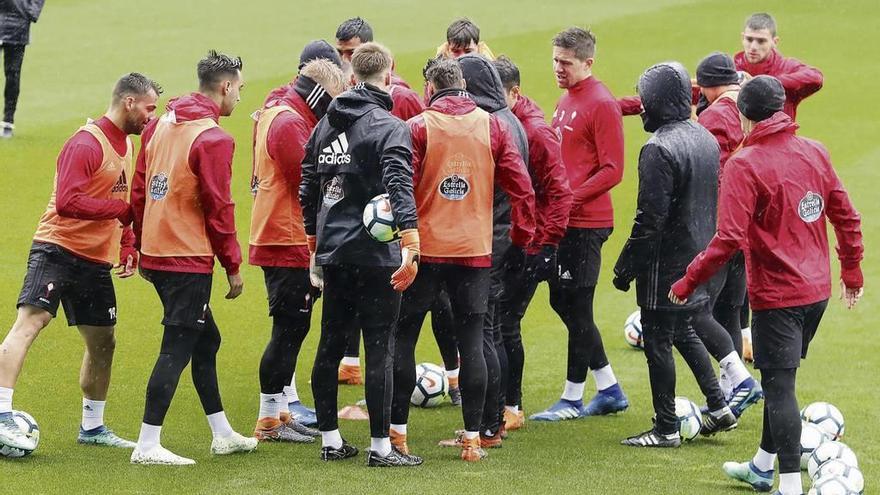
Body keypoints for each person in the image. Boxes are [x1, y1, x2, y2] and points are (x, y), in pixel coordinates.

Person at [670, 75, 864, 495]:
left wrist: (688, 280)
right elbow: (846, 216)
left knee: (780, 391)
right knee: (780, 383)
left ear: (743, 114)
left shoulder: (744, 163)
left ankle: (789, 485)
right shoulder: (815, 150)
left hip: (779, 297)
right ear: (782, 108)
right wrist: (852, 272)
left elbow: (727, 240)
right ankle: (761, 467)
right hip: (818, 292)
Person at [0, 73, 158, 452]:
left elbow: (116, 203)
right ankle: (2, 412)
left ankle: (92, 427)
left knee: (104, 342)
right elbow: (68, 202)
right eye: (149, 109)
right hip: (56, 249)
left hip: (94, 260)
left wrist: (128, 241)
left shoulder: (126, 146)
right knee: (30, 323)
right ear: (129, 103)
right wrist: (122, 211)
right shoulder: (86, 143)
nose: (152, 118)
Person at [389, 57, 535, 462]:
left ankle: (398, 435)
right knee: (473, 340)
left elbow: (402, 185)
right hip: (475, 251)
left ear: (431, 87)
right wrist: (521, 240)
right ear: (464, 88)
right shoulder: (494, 126)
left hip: (425, 250)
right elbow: (521, 188)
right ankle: (473, 440)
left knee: (404, 337)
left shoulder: (417, 126)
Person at [130, 51, 257, 465]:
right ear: (225, 87)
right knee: (177, 345)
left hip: (157, 253)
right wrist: (233, 266)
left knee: (208, 340)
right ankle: (147, 444)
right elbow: (220, 207)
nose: (238, 96)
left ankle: (222, 433)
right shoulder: (214, 138)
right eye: (238, 88)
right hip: (186, 259)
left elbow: (138, 187)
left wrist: (138, 240)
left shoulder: (161, 124)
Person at [300, 42, 422, 467]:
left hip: (334, 254)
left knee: (330, 344)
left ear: (351, 78)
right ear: (389, 75)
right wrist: (411, 242)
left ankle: (330, 440)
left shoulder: (323, 126)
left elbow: (308, 188)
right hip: (376, 256)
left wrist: (315, 245)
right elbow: (399, 187)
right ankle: (380, 448)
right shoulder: (391, 127)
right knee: (380, 348)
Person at [613, 61, 737, 448]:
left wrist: (625, 267)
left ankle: (666, 426)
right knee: (683, 329)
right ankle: (719, 407)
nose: (643, 109)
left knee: (657, 340)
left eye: (646, 101)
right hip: (697, 256)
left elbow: (649, 220)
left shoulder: (658, 149)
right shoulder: (704, 138)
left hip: (664, 263)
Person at [531, 27, 628, 422]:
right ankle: (608, 388)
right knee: (562, 300)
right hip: (565, 220)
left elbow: (612, 169)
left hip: (587, 223)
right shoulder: (567, 98)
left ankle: (572, 399)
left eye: (566, 62)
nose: (558, 68)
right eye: (555, 60)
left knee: (578, 306)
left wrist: (569, 198)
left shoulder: (601, 103)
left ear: (588, 63)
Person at [249, 58, 347, 443]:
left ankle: (279, 414)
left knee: (292, 327)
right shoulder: (290, 122)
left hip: (280, 233)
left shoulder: (282, 113)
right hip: (286, 238)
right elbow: (308, 182)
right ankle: (269, 420)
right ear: (320, 94)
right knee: (288, 329)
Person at [333, 18, 425, 386]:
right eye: (340, 53)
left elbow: (418, 151)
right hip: (358, 215)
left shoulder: (400, 98)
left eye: (351, 53)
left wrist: (405, 217)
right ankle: (353, 364)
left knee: (404, 305)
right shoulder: (344, 99)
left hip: (391, 216)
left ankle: (451, 378)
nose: (345, 60)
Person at [446, 52, 530, 447]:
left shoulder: (492, 125)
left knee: (484, 335)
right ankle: (491, 423)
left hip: (487, 242)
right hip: (503, 237)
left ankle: (486, 427)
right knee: (491, 332)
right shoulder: (509, 121)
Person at [492, 56, 572, 431]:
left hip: (530, 242)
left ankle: (511, 407)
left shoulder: (535, 133)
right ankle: (505, 405)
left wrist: (546, 247)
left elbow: (558, 192)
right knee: (500, 322)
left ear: (514, 92)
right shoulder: (509, 122)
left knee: (505, 323)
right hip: (513, 239)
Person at [693, 52, 763, 410]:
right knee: (732, 308)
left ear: (707, 84)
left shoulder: (717, 114)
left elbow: (707, 168)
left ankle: (737, 381)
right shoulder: (748, 104)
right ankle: (730, 388)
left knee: (698, 306)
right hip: (748, 223)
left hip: (721, 223)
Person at [735, 12, 823, 121]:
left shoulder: (785, 67)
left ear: (774, 42)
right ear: (742, 38)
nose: (753, 47)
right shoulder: (732, 70)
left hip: (778, 137)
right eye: (749, 39)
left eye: (761, 41)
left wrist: (770, 83)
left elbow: (816, 77)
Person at [0, 0, 44, 137]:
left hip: (18, 26)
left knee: (13, 74)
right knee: (13, 74)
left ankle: (8, 122)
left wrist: (29, 13)